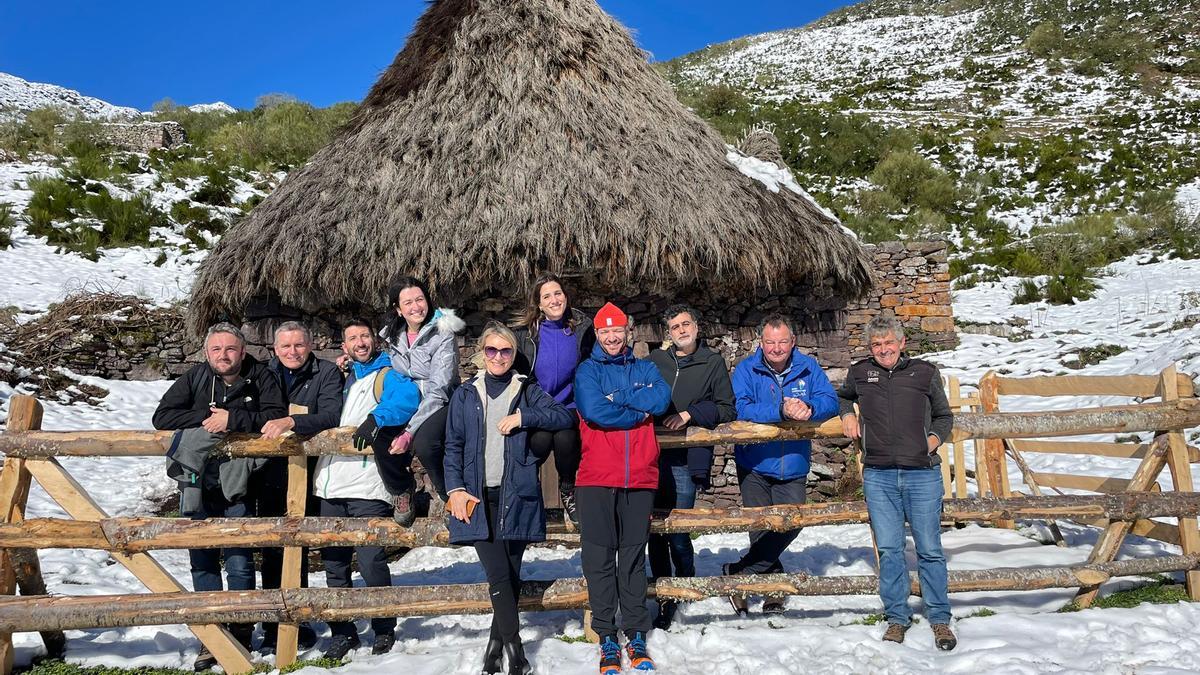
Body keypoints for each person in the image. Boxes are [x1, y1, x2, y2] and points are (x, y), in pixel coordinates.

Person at [152, 323, 286, 671]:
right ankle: (211, 633)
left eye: (230, 349)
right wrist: (208, 418)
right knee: (202, 557)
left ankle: (240, 630)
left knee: (240, 559)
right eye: (216, 350)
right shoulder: (196, 377)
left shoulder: (261, 376)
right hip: (197, 483)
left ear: (243, 352)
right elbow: (162, 416)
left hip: (240, 483)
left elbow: (274, 414)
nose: (223, 356)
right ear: (207, 353)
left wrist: (233, 419)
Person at [444, 322, 573, 675]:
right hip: (475, 496)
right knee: (498, 573)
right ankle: (515, 647)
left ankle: (494, 645)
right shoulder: (466, 393)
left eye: (505, 351)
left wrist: (523, 416)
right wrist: (454, 489)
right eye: (491, 350)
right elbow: (452, 446)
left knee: (510, 574)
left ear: (514, 355)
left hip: (515, 494)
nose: (498, 357)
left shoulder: (526, 390)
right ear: (481, 354)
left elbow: (563, 416)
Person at [838, 315, 956, 650]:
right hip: (879, 474)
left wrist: (930, 441)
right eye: (877, 344)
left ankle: (939, 618)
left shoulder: (924, 372)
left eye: (889, 342)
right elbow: (844, 396)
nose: (883, 349)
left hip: (921, 473)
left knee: (930, 549)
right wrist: (847, 414)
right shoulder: (860, 372)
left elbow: (944, 415)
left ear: (902, 343)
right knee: (890, 550)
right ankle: (896, 617)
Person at [315, 317, 420, 660]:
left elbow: (407, 397)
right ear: (343, 347)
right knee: (335, 562)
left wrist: (378, 417)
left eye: (364, 337)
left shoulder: (387, 372)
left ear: (374, 341)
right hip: (330, 484)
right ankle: (343, 631)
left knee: (371, 560)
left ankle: (383, 627)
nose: (360, 342)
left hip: (366, 484)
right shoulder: (343, 377)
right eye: (352, 338)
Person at [574, 302, 671, 674]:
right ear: (597, 335)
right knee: (599, 561)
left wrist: (621, 400)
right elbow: (595, 410)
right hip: (597, 477)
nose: (612, 338)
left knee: (632, 558)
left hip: (639, 476)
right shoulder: (587, 371)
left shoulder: (647, 367)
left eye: (618, 331)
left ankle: (635, 630)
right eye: (605, 332)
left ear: (627, 332)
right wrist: (636, 407)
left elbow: (660, 399)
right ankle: (607, 636)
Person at [725, 314, 838, 615]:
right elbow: (741, 406)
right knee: (761, 529)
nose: (776, 348)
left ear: (793, 342)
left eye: (782, 342)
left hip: (793, 463)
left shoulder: (808, 367)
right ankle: (772, 590)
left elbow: (831, 400)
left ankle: (740, 572)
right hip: (755, 462)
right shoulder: (747, 369)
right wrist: (780, 409)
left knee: (792, 523)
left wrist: (810, 407)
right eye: (770, 342)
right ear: (761, 342)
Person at [646, 304, 735, 629]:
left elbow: (726, 408)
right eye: (674, 327)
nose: (681, 330)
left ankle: (685, 583)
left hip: (684, 460)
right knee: (654, 532)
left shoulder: (712, 363)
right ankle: (663, 594)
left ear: (696, 327)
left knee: (680, 532)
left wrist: (689, 414)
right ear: (668, 334)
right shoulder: (656, 361)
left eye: (686, 324)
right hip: (651, 459)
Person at [257, 320, 343, 654]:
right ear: (275, 349)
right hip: (267, 471)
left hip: (309, 470)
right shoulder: (265, 373)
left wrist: (292, 421)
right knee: (271, 547)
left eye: (298, 345)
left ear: (310, 345)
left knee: (300, 545)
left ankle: (299, 619)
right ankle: (272, 623)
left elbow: (332, 414)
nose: (292, 352)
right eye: (285, 346)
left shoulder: (325, 373)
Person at [378, 275, 465, 523]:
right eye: (408, 303)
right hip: (409, 400)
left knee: (426, 444)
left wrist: (409, 431)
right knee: (379, 435)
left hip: (441, 401)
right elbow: (386, 367)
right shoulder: (392, 337)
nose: (416, 307)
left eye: (420, 299)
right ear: (397, 309)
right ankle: (402, 488)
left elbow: (439, 387)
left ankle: (450, 495)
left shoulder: (443, 334)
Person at [512, 273, 595, 530]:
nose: (554, 299)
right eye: (546, 296)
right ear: (538, 303)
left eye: (557, 293)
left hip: (570, 406)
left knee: (566, 439)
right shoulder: (524, 334)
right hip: (538, 407)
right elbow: (519, 374)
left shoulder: (582, 327)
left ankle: (568, 489)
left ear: (566, 296)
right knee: (540, 440)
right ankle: (528, 497)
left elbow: (592, 365)